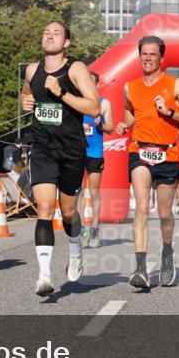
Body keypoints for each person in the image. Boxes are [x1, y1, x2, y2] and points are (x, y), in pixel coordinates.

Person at [20, 22, 101, 296]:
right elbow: (27, 92)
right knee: (44, 209)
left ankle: (76, 249)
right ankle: (44, 276)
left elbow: (94, 106)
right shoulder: (33, 70)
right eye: (46, 31)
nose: (49, 35)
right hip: (42, 147)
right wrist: (25, 101)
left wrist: (62, 93)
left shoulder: (75, 69)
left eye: (56, 33)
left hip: (71, 149)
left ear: (66, 43)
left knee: (68, 212)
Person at [116, 35, 179, 289]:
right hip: (139, 151)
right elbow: (131, 113)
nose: (148, 58)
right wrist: (124, 123)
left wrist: (170, 112)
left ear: (161, 58)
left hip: (168, 154)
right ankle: (140, 269)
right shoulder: (130, 87)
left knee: (164, 214)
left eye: (153, 54)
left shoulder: (175, 85)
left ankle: (167, 253)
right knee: (141, 208)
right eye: (144, 54)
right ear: (139, 56)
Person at [81, 71, 114, 248]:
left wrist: (100, 123)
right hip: (77, 151)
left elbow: (110, 127)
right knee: (76, 191)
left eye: (91, 82)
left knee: (93, 190)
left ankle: (95, 227)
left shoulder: (104, 103)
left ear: (97, 85)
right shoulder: (77, 101)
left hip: (94, 152)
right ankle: (80, 227)